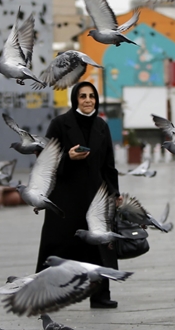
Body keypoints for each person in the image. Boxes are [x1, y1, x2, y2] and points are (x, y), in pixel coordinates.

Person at [35, 81, 121, 308]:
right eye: (82, 96)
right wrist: (68, 158)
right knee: (57, 247)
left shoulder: (101, 126)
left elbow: (108, 164)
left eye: (91, 96)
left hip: (95, 197)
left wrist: (115, 192)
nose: (87, 100)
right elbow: (43, 160)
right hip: (65, 200)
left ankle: (100, 295)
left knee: (97, 246)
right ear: (75, 99)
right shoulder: (60, 124)